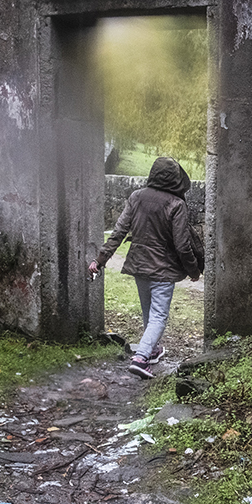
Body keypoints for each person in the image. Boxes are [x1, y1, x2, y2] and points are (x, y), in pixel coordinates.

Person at [89, 157, 202, 379]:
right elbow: (182, 244)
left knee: (149, 312)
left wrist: (100, 260)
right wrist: (193, 270)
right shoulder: (176, 204)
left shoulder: (137, 197)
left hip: (139, 266)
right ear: (176, 179)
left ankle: (153, 350)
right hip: (163, 269)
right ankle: (141, 358)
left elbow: (118, 232)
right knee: (158, 316)